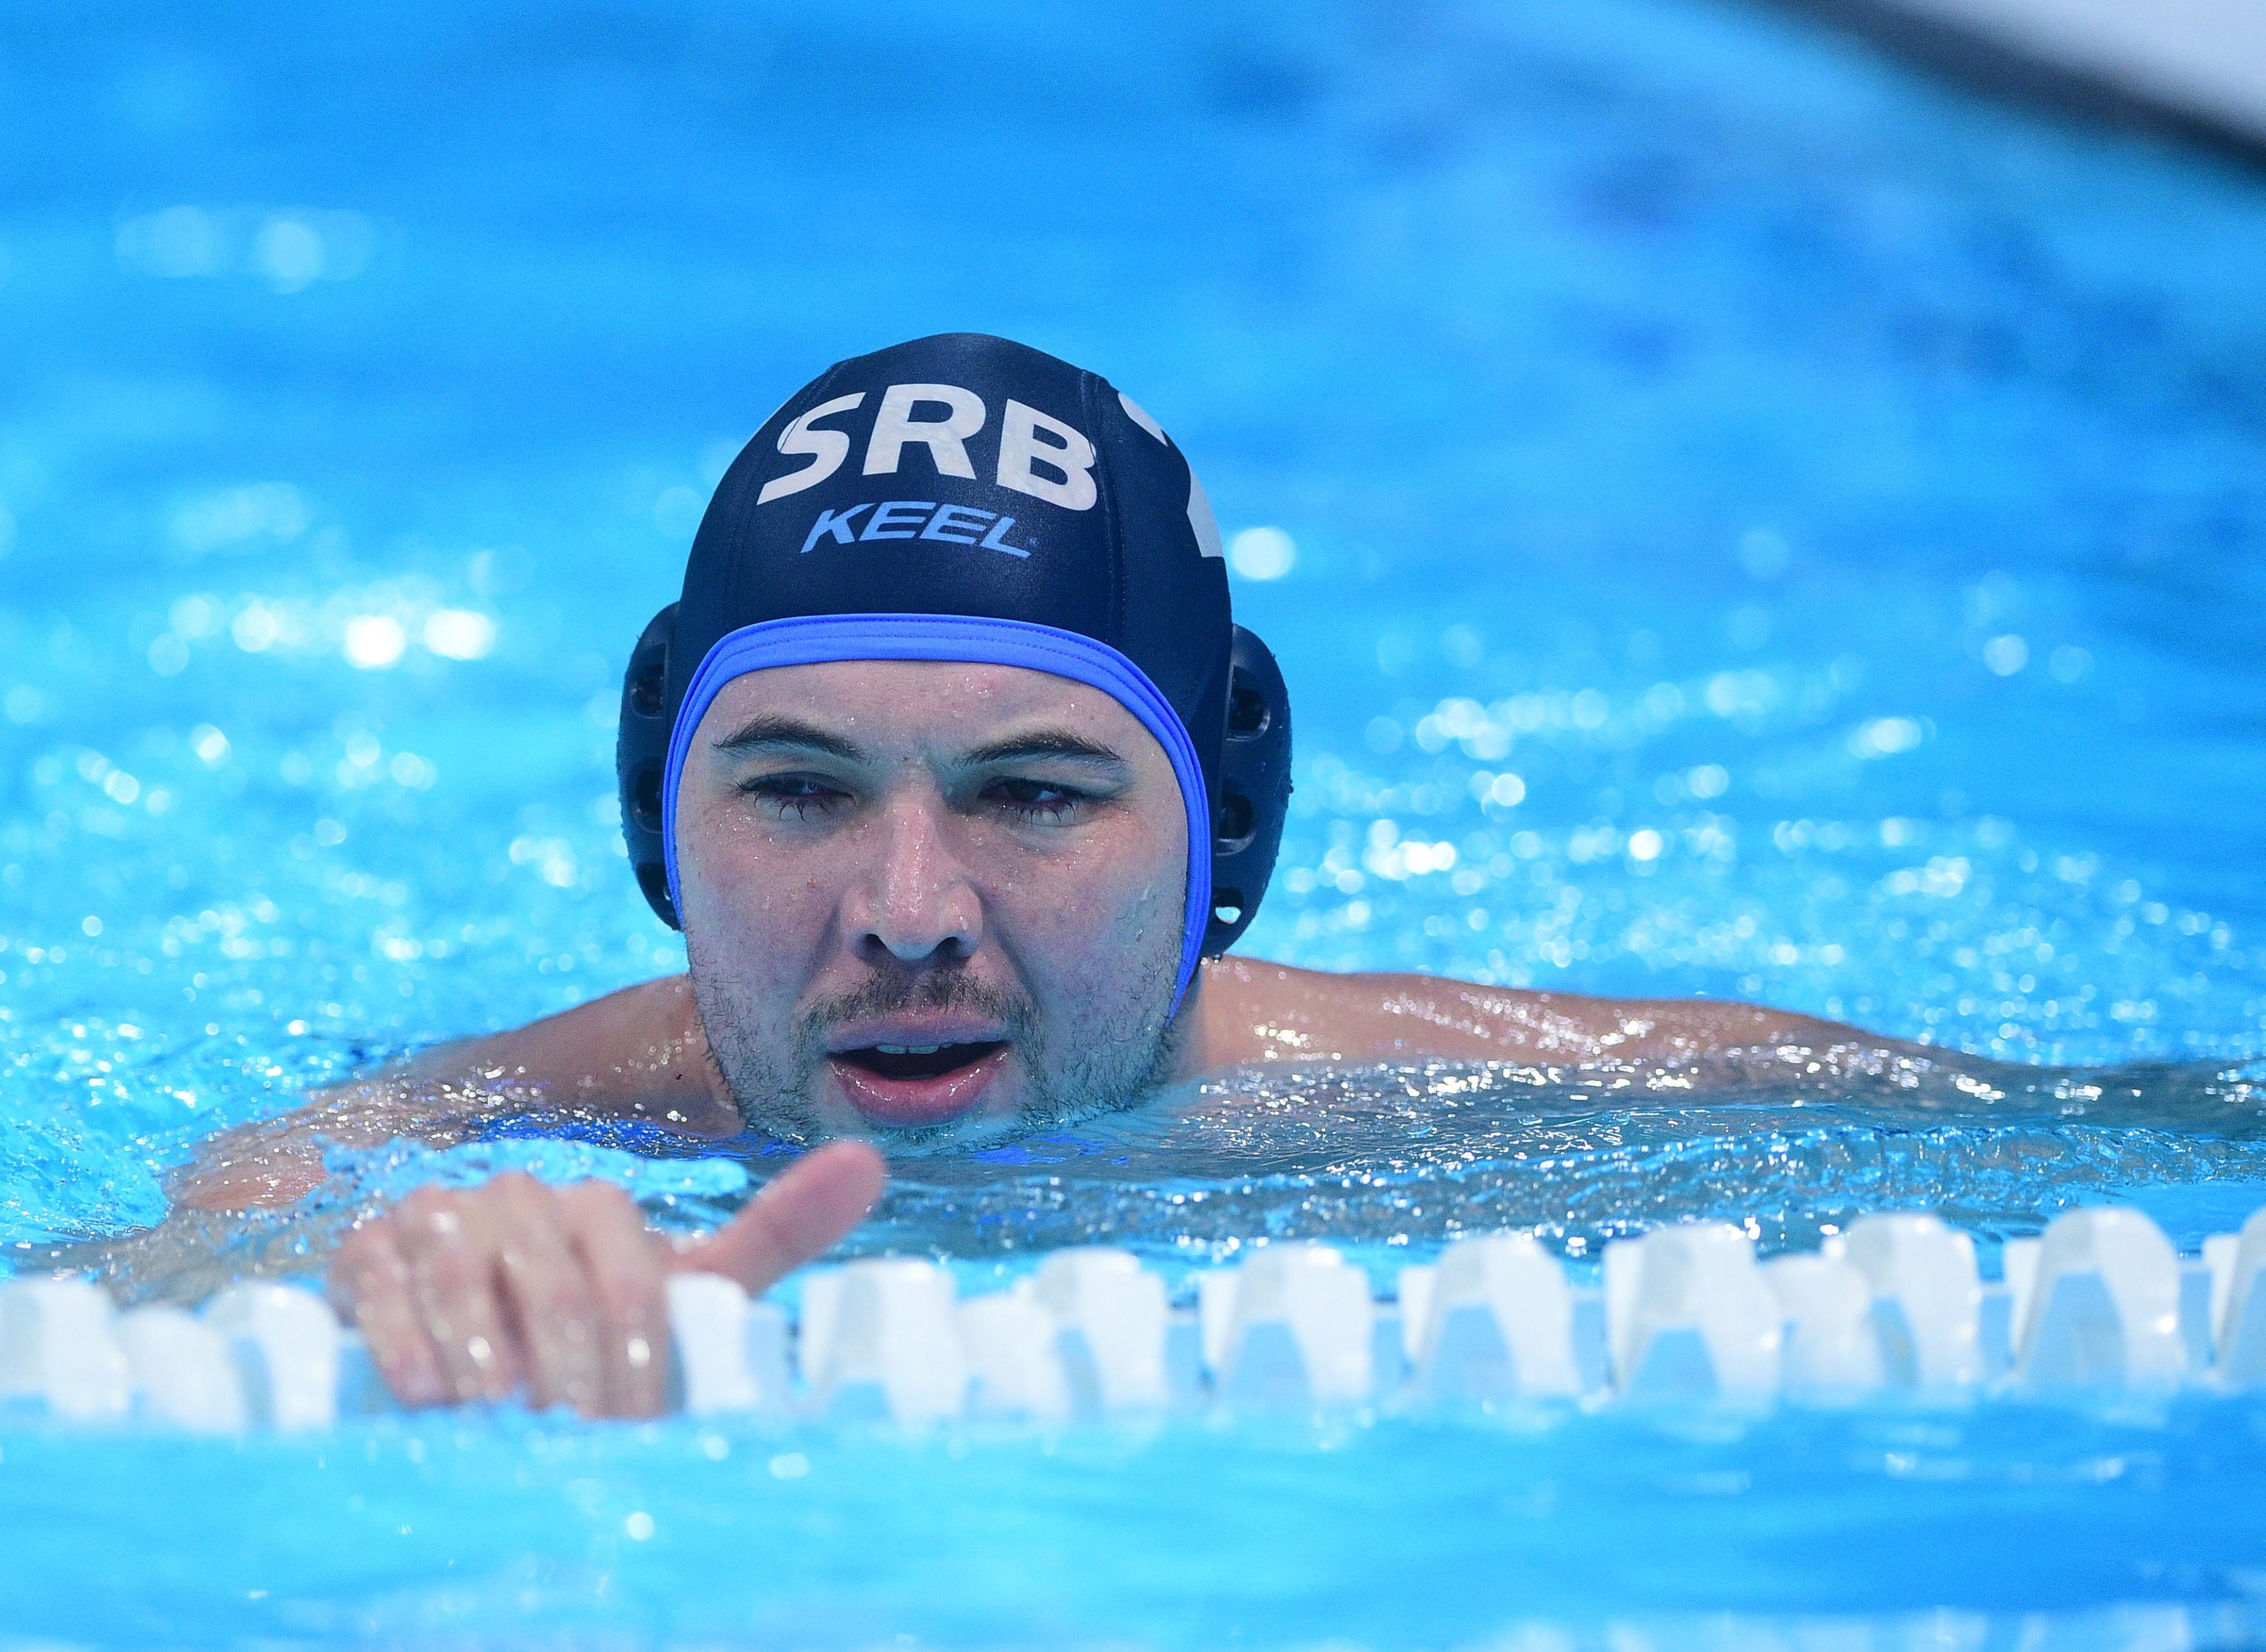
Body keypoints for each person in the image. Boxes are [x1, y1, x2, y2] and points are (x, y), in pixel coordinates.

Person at [154, 333, 1909, 1421]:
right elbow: (125, 1292)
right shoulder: (451, 1143)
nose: (908, 908)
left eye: (1033, 796)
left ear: (1223, 825)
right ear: (658, 818)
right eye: (798, 789)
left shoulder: (1518, 1109)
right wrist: (403, 1291)